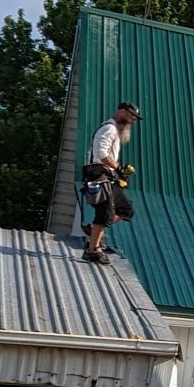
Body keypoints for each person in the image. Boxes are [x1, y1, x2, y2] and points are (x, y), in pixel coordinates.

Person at [82, 101, 141, 265]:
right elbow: (101, 154)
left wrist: (118, 174)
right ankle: (93, 250)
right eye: (131, 116)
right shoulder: (109, 128)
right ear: (122, 111)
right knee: (105, 212)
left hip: (107, 176)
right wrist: (119, 168)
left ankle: (93, 231)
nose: (132, 120)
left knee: (125, 208)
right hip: (99, 175)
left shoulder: (114, 130)